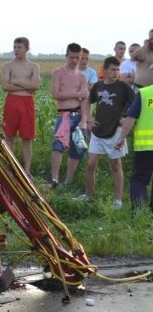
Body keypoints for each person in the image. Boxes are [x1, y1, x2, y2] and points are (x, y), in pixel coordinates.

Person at [76, 57, 134, 208]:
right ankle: (88, 195)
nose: (115, 73)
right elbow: (88, 101)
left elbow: (134, 104)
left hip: (115, 131)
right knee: (90, 163)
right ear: (105, 70)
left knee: (115, 164)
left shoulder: (123, 87)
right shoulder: (98, 86)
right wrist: (89, 118)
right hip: (98, 130)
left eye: (117, 70)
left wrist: (124, 117)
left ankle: (118, 200)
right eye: (113, 69)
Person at [49, 42, 89, 187]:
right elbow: (56, 94)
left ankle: (68, 181)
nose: (74, 60)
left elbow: (84, 99)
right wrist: (77, 94)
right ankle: (54, 178)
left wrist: (84, 120)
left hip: (77, 114)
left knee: (77, 148)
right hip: (63, 115)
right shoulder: (58, 73)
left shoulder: (82, 76)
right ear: (66, 56)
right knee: (58, 146)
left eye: (77, 57)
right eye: (72, 57)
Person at [1, 37, 41, 177]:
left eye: (20, 47)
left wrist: (17, 81)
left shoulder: (34, 67)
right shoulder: (8, 66)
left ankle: (27, 170)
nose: (16, 50)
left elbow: (35, 86)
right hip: (12, 102)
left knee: (27, 137)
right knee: (9, 135)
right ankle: (10, 167)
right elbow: (5, 86)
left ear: (27, 49)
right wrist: (26, 85)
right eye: (15, 47)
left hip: (27, 102)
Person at [114, 83, 153, 211]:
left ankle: (139, 212)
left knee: (139, 180)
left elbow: (131, 118)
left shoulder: (145, 93)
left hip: (145, 146)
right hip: (145, 146)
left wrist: (121, 138)